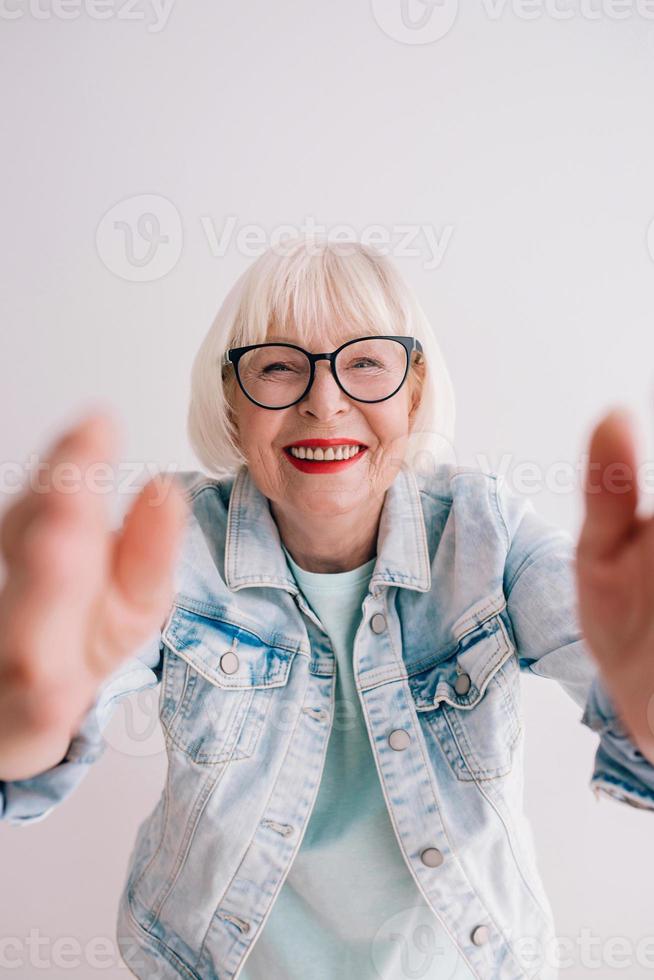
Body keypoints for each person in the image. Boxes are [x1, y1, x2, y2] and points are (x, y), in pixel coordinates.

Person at [1, 237, 653, 980]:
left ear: (412, 391)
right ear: (231, 399)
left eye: (366, 362)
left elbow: (627, 682)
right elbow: (48, 698)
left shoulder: (485, 531)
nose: (325, 399)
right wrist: (21, 726)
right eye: (278, 366)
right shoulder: (174, 545)